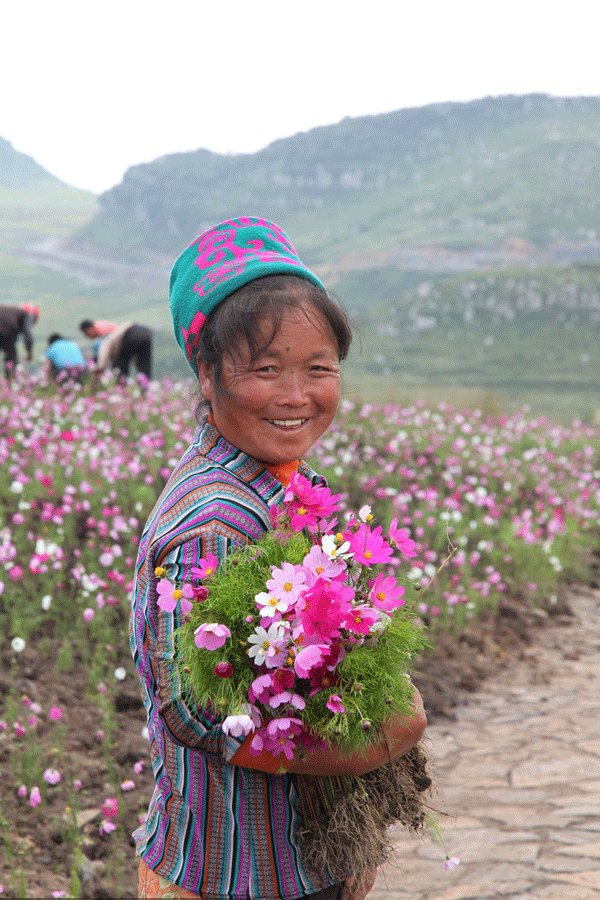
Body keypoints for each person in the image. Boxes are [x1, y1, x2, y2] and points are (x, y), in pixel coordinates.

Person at [130, 217, 427, 900]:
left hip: (301, 857)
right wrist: (367, 749)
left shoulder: (286, 483)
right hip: (237, 867)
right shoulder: (215, 519)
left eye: (318, 368)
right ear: (206, 374)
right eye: (264, 369)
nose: (297, 395)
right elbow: (195, 709)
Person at [0, 303, 39, 376]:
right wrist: (29, 353)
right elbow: (27, 335)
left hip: (5, 331)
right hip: (5, 332)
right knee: (11, 359)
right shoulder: (27, 315)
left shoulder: (11, 312)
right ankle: (9, 382)